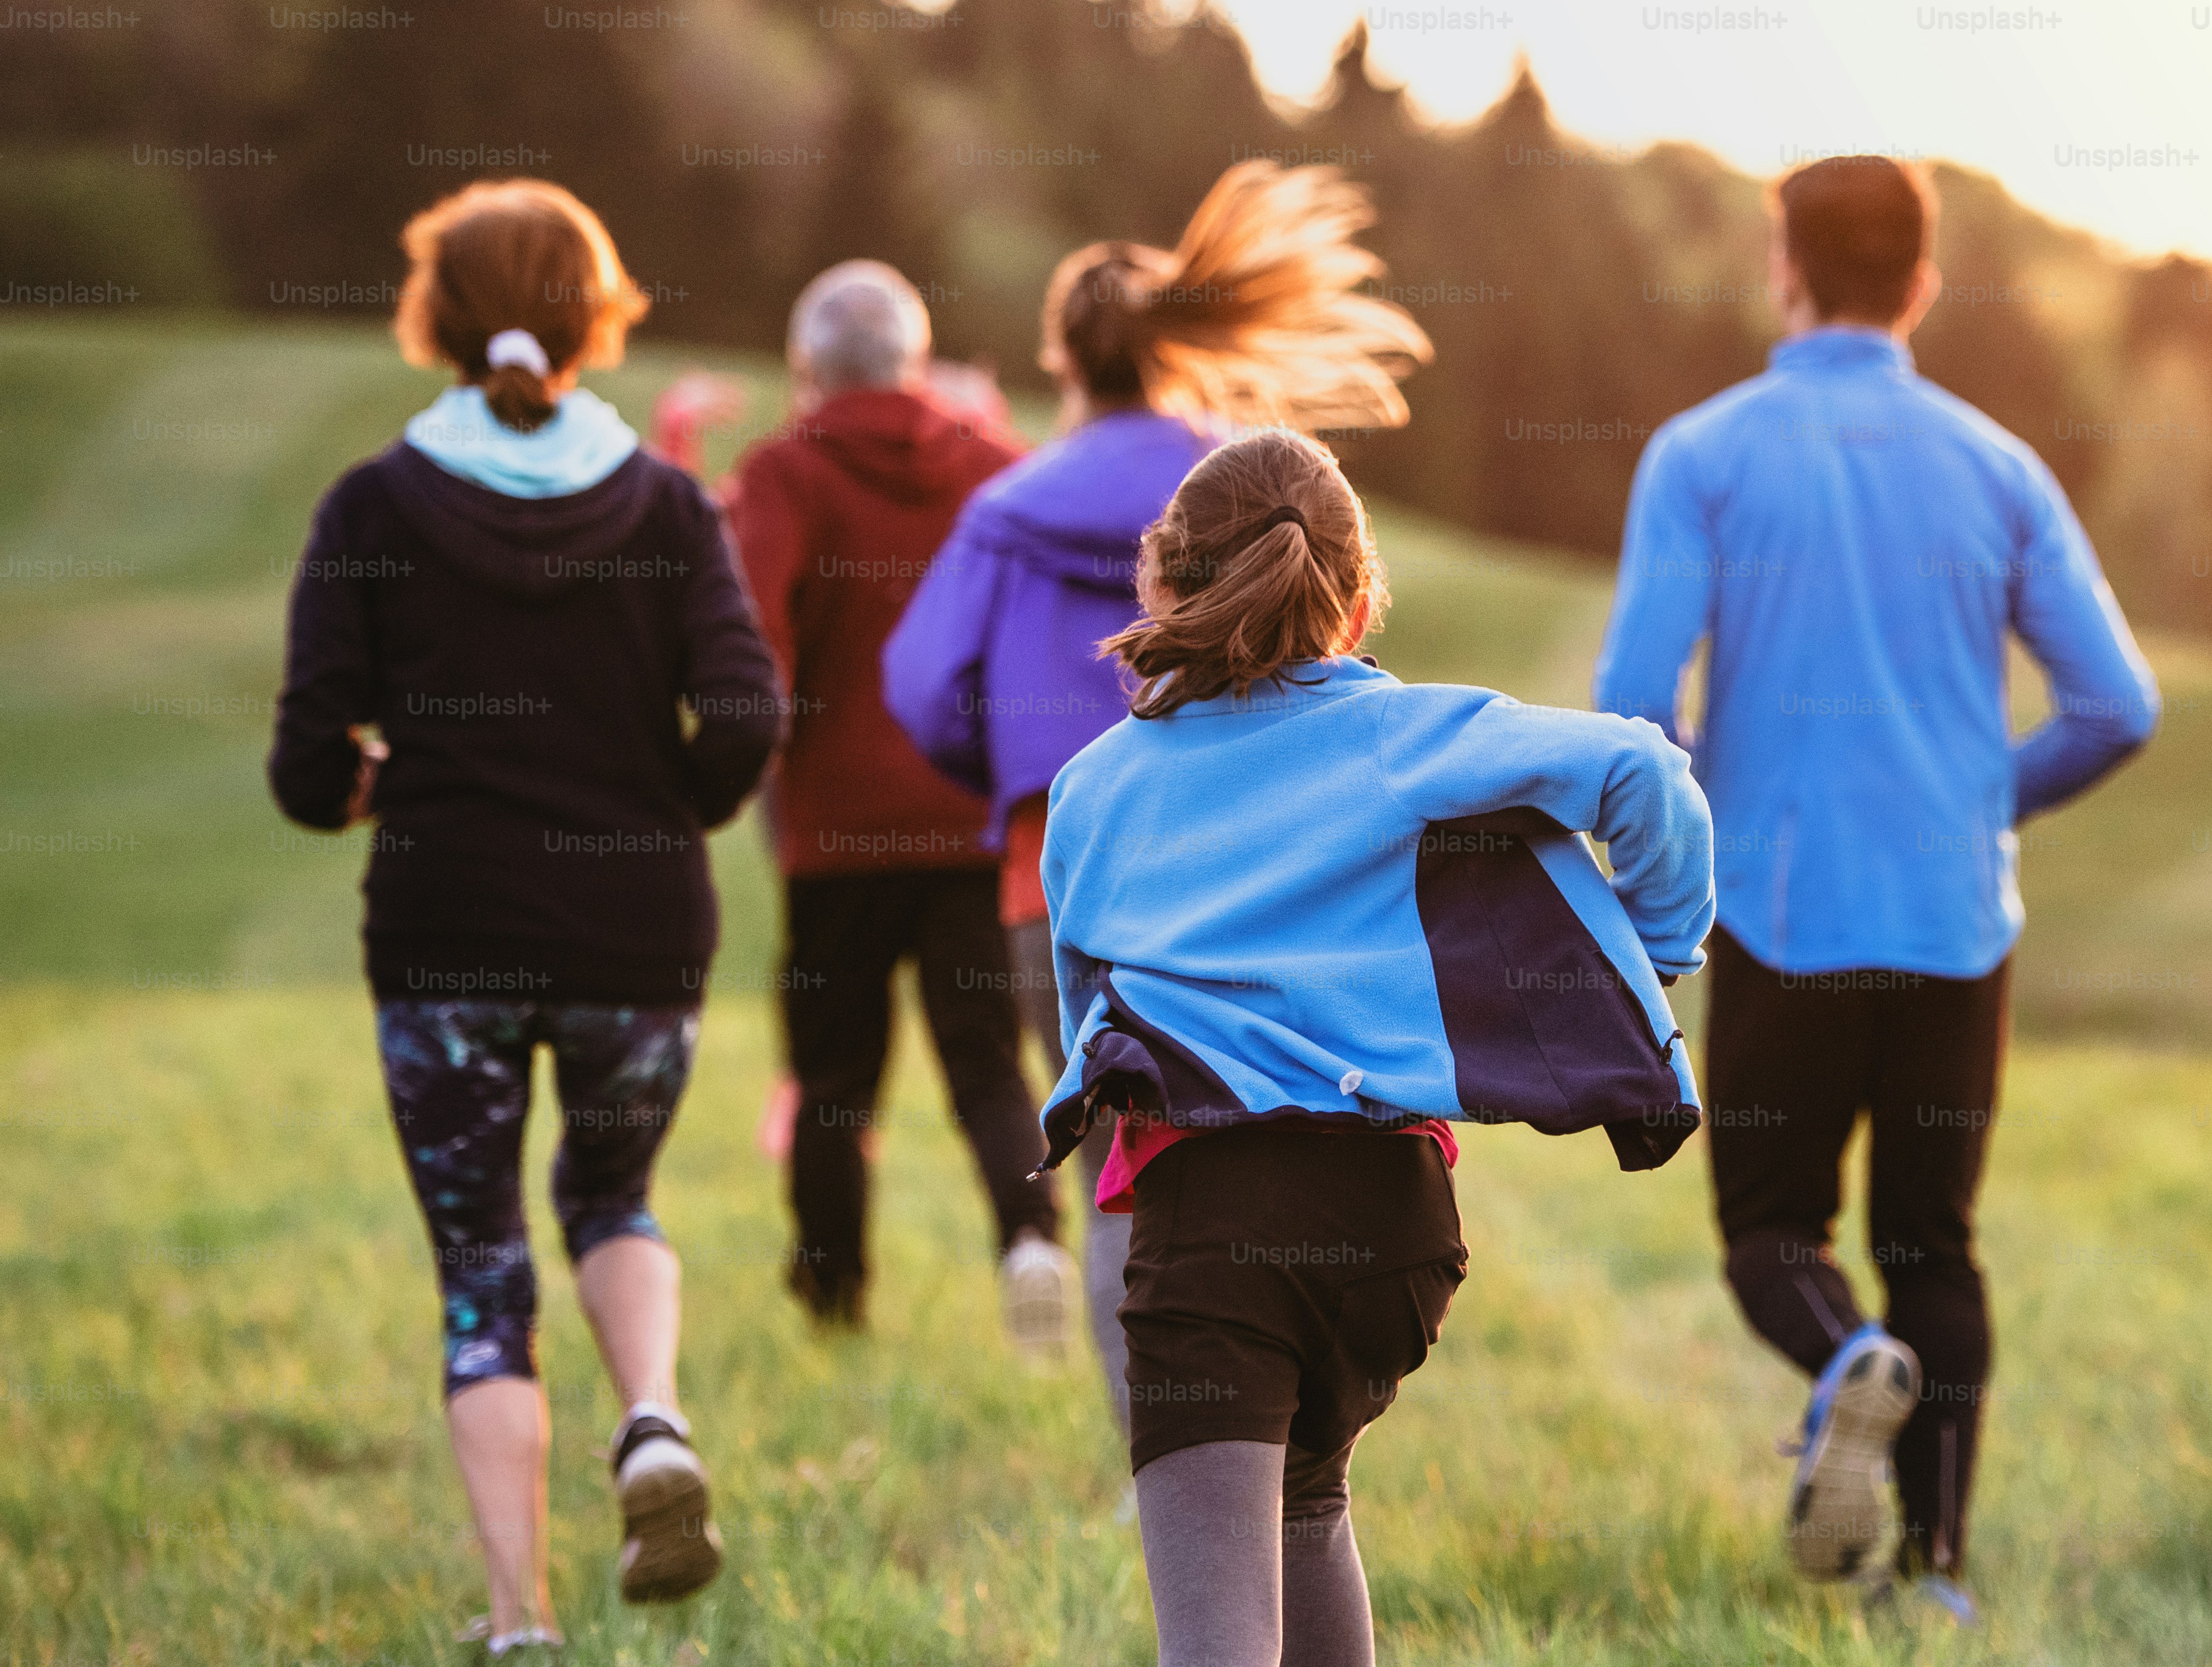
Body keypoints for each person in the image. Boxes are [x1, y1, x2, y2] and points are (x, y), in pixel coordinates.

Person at [1038, 427, 1714, 1666]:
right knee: (1306, 1496)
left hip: (1215, 1224)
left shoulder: (1096, 786)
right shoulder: (1414, 737)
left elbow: (1090, 1006)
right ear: (1355, 607)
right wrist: (1654, 954)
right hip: (1395, 1229)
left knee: (1219, 1641)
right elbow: (1644, 771)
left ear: (1164, 587)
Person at [1593, 155, 2161, 1622]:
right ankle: (1941, 1577)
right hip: (1956, 919)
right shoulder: (1999, 465)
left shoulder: (1702, 455)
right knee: (1937, 1243)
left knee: (1772, 1234)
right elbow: (2117, 705)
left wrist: (1690, 835)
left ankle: (1846, 1365)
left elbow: (1636, 708)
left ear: (1783, 265)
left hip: (1781, 914)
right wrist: (1979, 802)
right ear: (1920, 280)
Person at [266, 179, 779, 1650]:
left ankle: (518, 1620)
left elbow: (307, 762)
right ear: (590, 319)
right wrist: (660, 803)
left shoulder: (371, 505)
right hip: (640, 930)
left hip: (445, 933)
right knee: (613, 1196)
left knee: (485, 1262)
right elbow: (748, 708)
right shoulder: (673, 505)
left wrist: (380, 781)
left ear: (437, 318)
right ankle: (654, 1415)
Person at [882, 162, 1429, 1451]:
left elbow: (919, 688)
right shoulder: (1252, 494)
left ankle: (1171, 1466)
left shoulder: (1004, 509)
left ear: (1064, 359)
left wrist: (1021, 784)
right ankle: (1300, 1453)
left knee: (1127, 1158)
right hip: (1267, 869)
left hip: (1057, 883)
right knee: (1279, 1141)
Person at [723, 260, 1073, 1347]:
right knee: (986, 1057)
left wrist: (743, 746)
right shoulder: (995, 468)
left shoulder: (784, 470)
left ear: (806, 369)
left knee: (835, 1076)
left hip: (835, 833)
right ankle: (1031, 1236)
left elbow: (749, 635)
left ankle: (834, 1304)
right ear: (919, 362)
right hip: (973, 819)